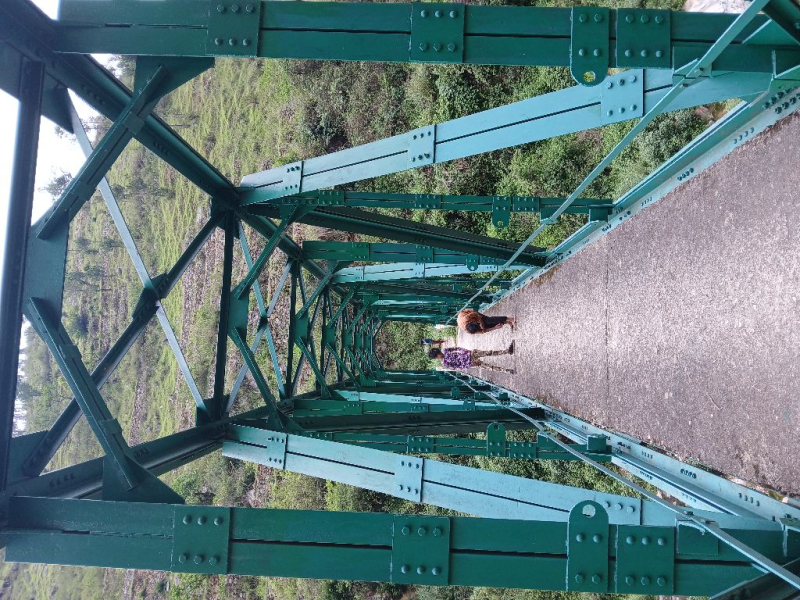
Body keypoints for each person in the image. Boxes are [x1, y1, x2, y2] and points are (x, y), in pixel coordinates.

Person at [428, 342, 515, 374]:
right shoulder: (445, 364)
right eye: (438, 354)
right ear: (436, 357)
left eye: (439, 352)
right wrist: (471, 364)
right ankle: (507, 371)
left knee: (489, 352)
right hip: (470, 362)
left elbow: (456, 348)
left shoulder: (446, 350)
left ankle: (507, 351)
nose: (440, 354)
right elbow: (459, 367)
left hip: (470, 354)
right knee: (489, 367)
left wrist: (465, 350)